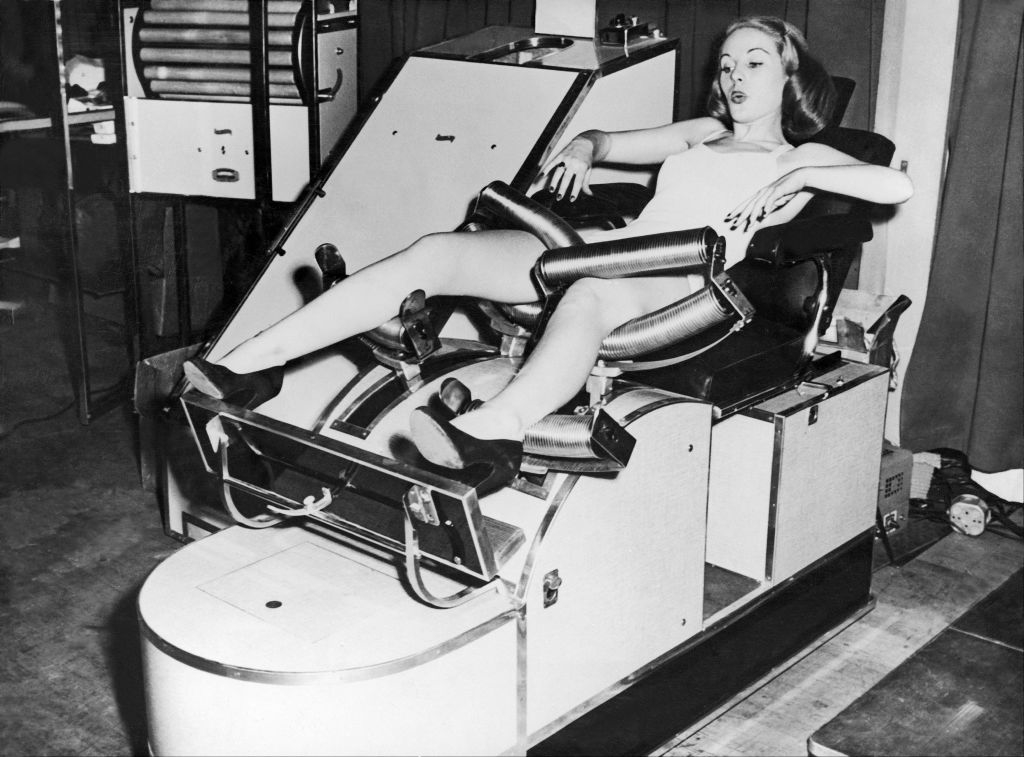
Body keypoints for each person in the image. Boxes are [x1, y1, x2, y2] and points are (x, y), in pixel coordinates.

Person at [184, 15, 913, 492]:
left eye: (754, 61)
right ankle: (244, 368)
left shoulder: (802, 154)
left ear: (792, 77)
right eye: (725, 64)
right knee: (440, 250)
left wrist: (806, 173)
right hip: (606, 250)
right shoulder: (701, 133)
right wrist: (587, 145)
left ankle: (492, 434)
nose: (732, 75)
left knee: (589, 295)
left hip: (681, 281)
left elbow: (891, 182)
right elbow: (613, 145)